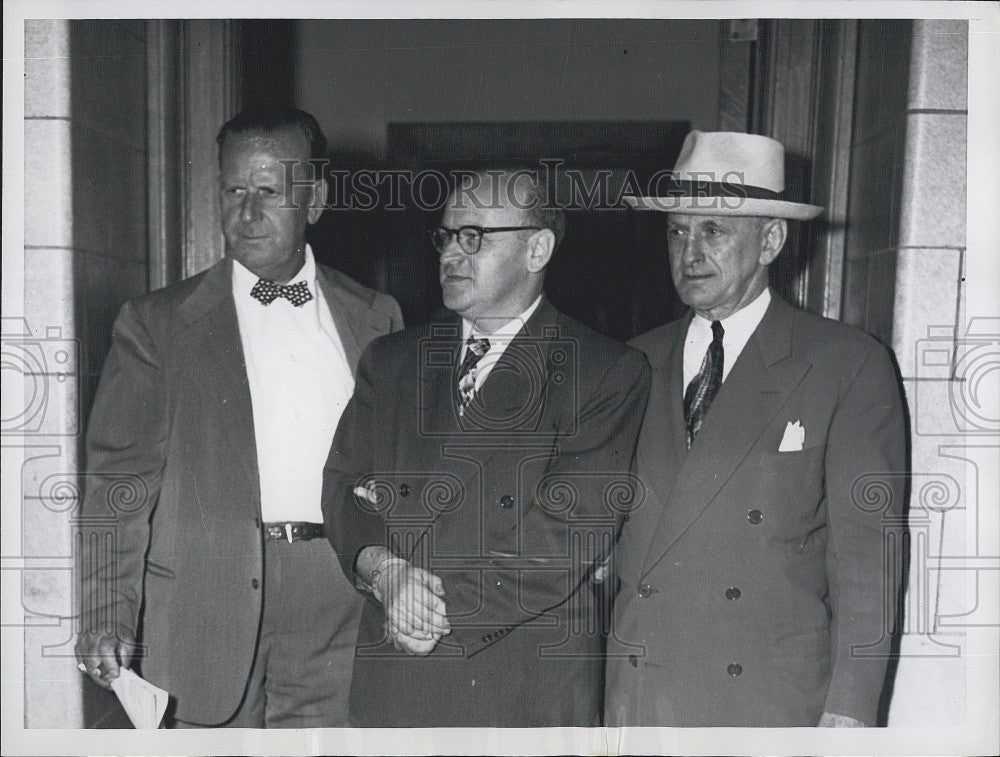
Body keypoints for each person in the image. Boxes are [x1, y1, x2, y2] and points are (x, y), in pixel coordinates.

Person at [74, 105, 403, 727]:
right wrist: (104, 617)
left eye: (270, 191)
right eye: (233, 189)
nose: (247, 211)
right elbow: (118, 486)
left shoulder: (375, 316)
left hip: (336, 601)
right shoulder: (154, 325)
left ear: (315, 199)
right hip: (202, 607)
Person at [322, 169, 651, 727]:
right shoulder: (392, 360)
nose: (453, 252)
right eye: (446, 236)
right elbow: (341, 489)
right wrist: (384, 574)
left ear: (537, 248)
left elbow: (566, 537)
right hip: (397, 682)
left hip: (523, 685)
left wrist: (424, 609)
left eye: (475, 236)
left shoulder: (604, 371)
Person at [604, 131, 907, 727]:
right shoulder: (631, 364)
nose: (690, 253)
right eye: (677, 231)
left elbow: (868, 564)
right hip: (641, 700)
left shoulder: (845, 364)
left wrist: (849, 710)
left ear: (771, 240)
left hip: (768, 706)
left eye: (713, 230)